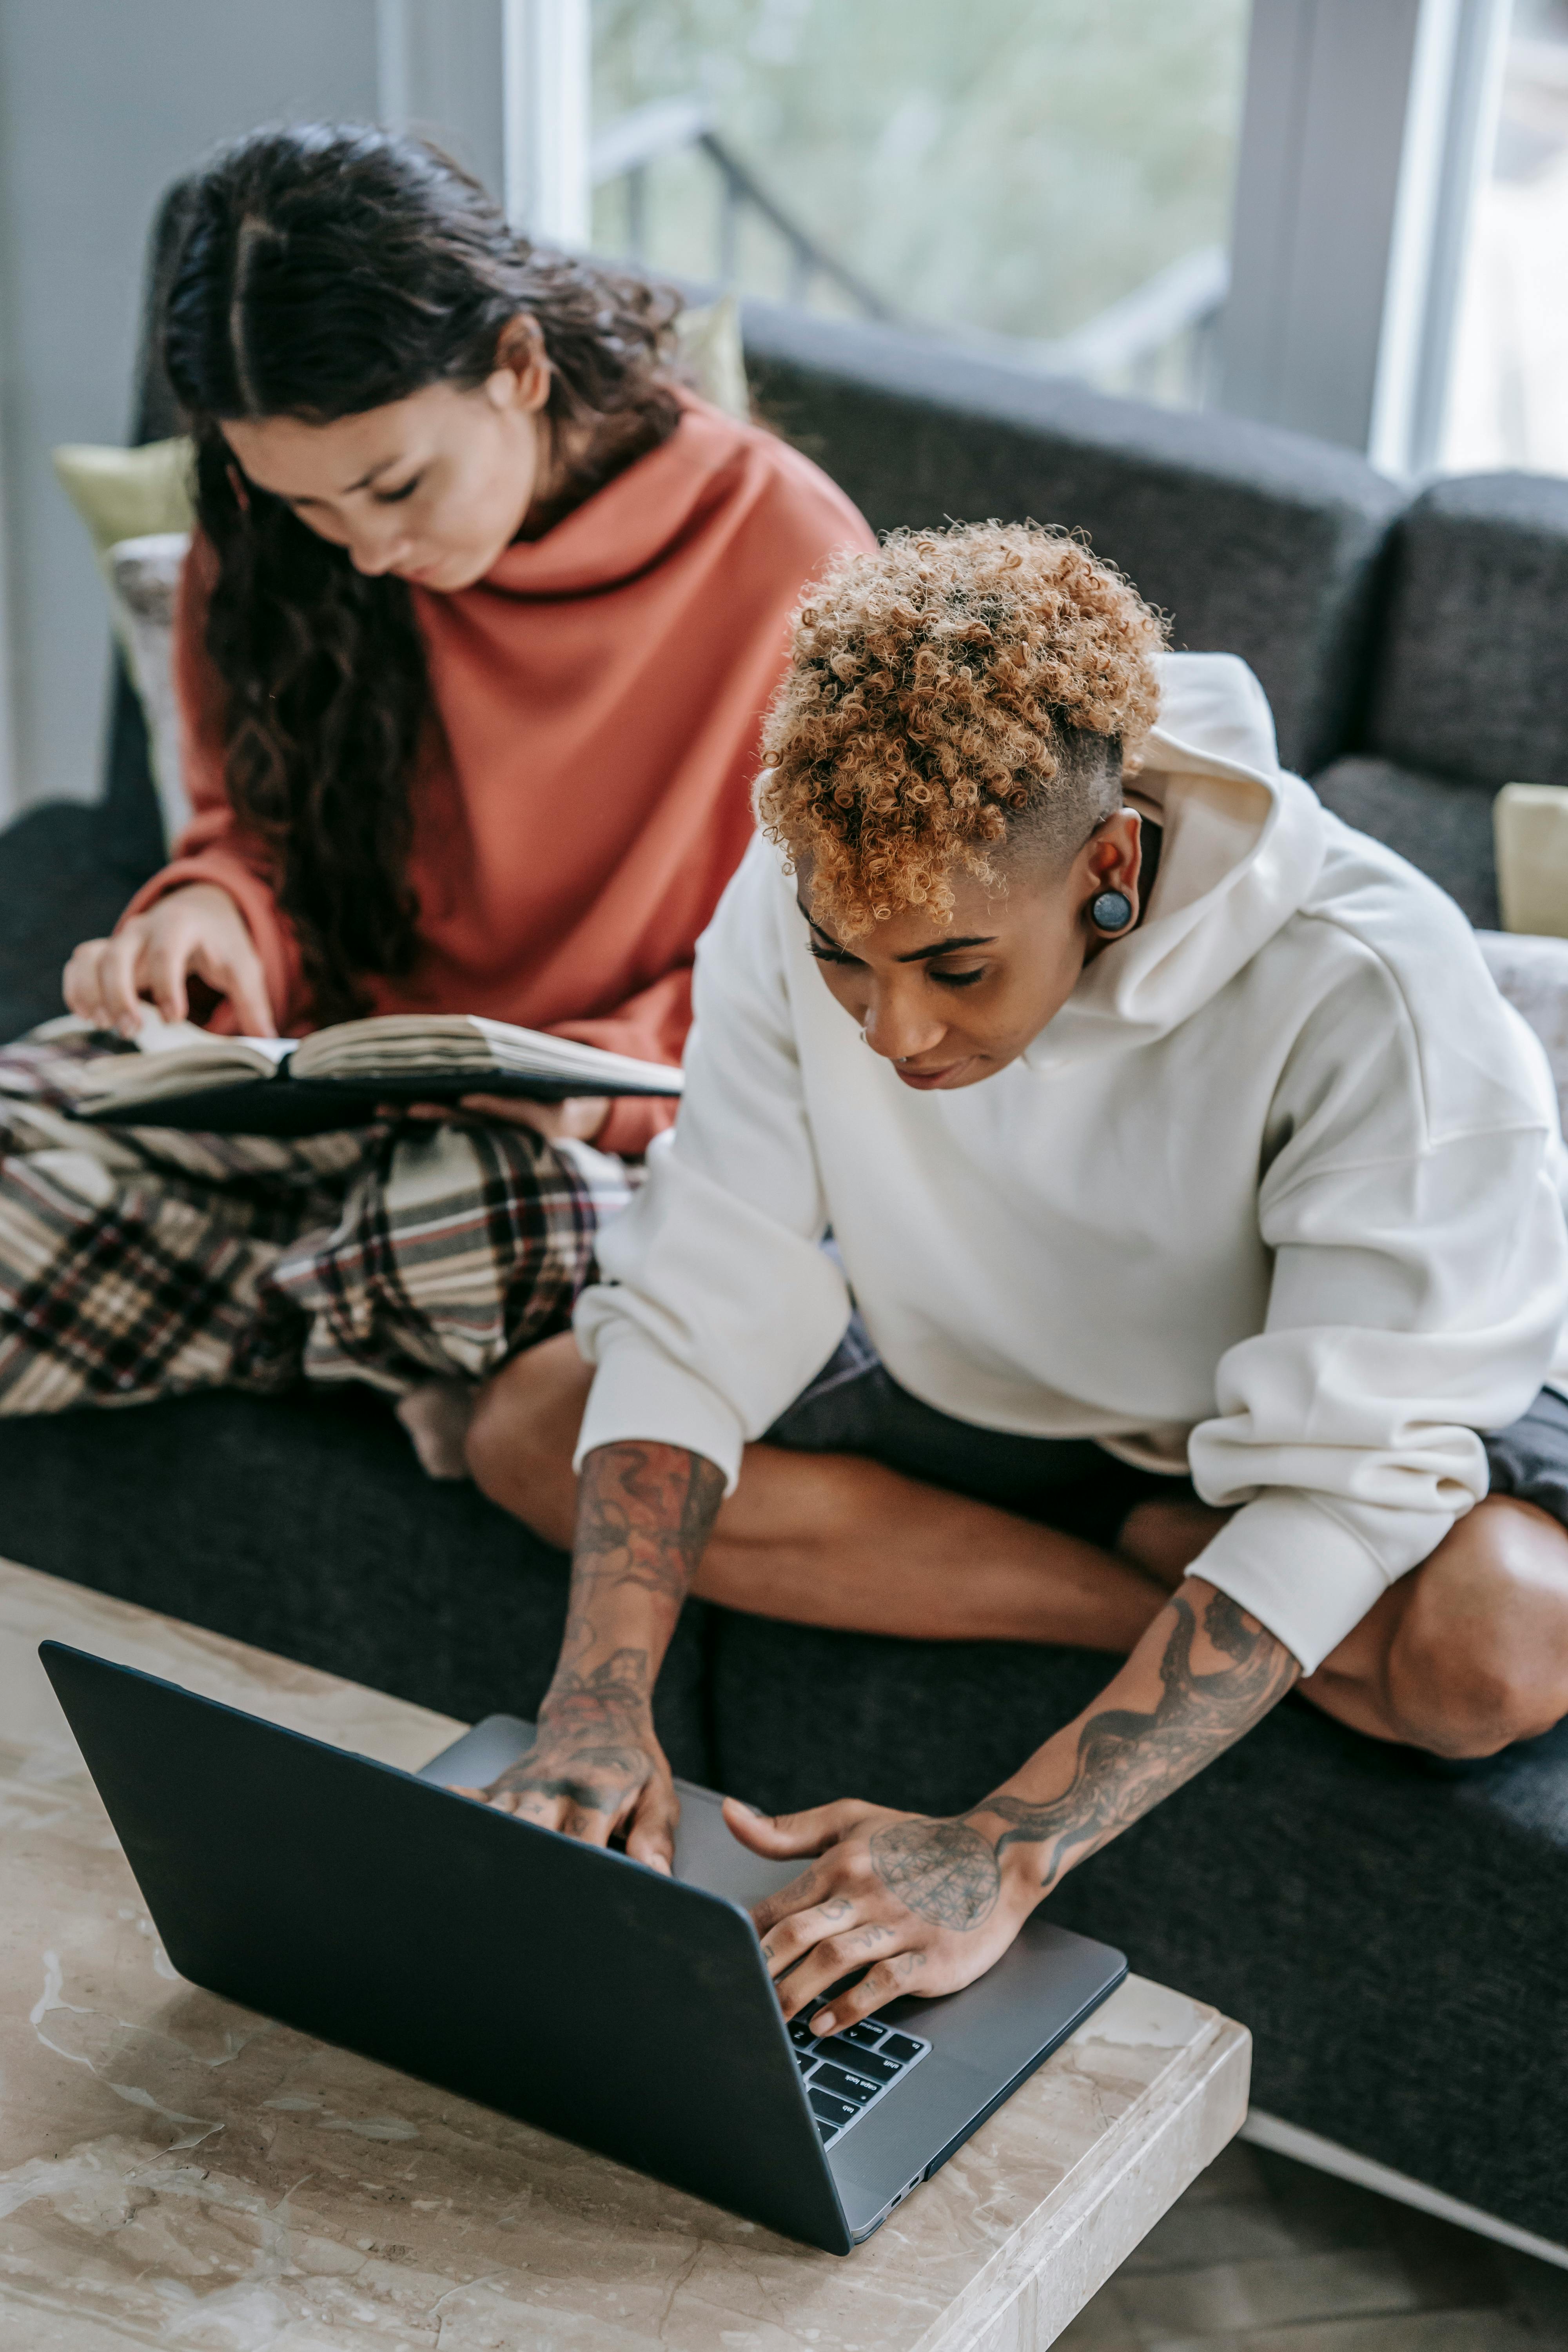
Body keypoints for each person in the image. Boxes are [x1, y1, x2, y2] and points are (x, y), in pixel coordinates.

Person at [459, 520, 1568, 2038]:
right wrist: (595, 1706)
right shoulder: (817, 885)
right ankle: (1153, 1587)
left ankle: (1199, 1569)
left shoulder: (1367, 981)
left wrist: (1000, 1845)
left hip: (1316, 1422)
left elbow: (1347, 1476)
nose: (893, 1031)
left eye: (956, 969)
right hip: (980, 1375)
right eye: (849, 959)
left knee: (1492, 1660)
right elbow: (702, 1289)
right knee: (533, 1426)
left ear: (1106, 867)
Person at [0, 123, 869, 1430]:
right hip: (316, 1072)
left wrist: (608, 1075)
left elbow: (839, 959)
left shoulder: (789, 551)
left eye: (394, 485)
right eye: (308, 508)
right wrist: (207, 919)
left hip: (570, 1143)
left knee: (505, 1221)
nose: (359, 552)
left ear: (518, 365)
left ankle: (200, 1289)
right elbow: (248, 840)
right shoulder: (265, 543)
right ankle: (361, 1330)